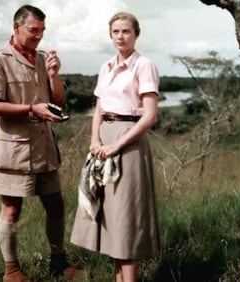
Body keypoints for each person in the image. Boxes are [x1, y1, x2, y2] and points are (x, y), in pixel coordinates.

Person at [0, 4, 77, 282]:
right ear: (16, 27)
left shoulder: (43, 59)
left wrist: (54, 75)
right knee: (11, 208)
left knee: (56, 204)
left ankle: (59, 262)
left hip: (43, 147)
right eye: (33, 30)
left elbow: (57, 101)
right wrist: (32, 109)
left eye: (42, 31)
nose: (38, 36)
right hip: (12, 148)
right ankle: (12, 271)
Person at [70, 11, 160, 282]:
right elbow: (99, 107)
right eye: (116, 32)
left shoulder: (143, 65)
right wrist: (95, 140)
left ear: (136, 34)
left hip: (128, 141)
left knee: (125, 222)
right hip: (104, 140)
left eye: (126, 31)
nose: (121, 37)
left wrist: (116, 145)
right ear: (110, 35)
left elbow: (150, 116)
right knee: (109, 218)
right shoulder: (106, 66)